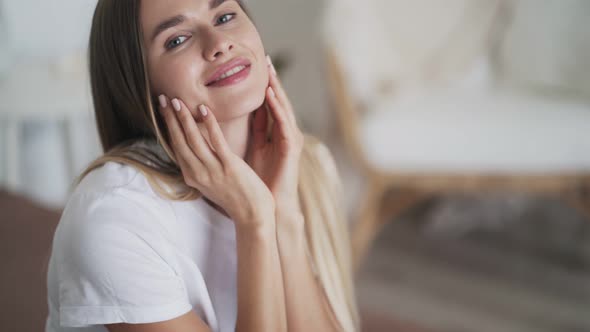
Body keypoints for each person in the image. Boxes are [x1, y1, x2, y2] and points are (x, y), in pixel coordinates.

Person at [45, 0, 359, 331]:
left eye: (224, 16)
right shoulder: (114, 218)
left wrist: (283, 215)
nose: (219, 43)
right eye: (177, 40)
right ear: (138, 85)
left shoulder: (305, 164)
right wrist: (254, 221)